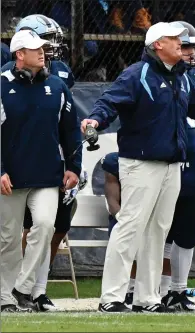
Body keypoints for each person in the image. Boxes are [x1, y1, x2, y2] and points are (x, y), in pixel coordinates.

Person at [81, 22, 195, 313]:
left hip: (171, 165)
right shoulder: (136, 74)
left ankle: (148, 297)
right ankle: (111, 297)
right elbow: (109, 102)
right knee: (130, 227)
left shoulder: (182, 77)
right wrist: (94, 120)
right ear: (157, 45)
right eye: (173, 39)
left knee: (158, 231)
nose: (181, 42)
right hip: (140, 163)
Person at [1, 30, 81, 313]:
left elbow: (70, 129)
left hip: (47, 175)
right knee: (8, 238)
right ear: (19, 55)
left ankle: (22, 288)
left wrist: (74, 167)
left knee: (46, 226)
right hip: (9, 178)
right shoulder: (0, 85)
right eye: (35, 49)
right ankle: (4, 298)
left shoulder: (58, 86)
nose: (42, 53)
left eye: (43, 49)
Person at [157, 21, 195, 312]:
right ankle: (159, 290)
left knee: (188, 232)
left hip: (192, 164)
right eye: (183, 45)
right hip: (165, 163)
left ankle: (177, 292)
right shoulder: (154, 75)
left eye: (191, 47)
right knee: (161, 231)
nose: (188, 52)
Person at [101, 152, 137, 307]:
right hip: (123, 218)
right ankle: (125, 291)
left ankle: (141, 290)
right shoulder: (115, 161)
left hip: (145, 216)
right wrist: (126, 221)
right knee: (124, 238)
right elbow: (113, 203)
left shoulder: (159, 162)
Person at [2, 14, 74, 89]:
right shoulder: (7, 71)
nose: (52, 44)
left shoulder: (61, 67)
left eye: (54, 38)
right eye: (46, 39)